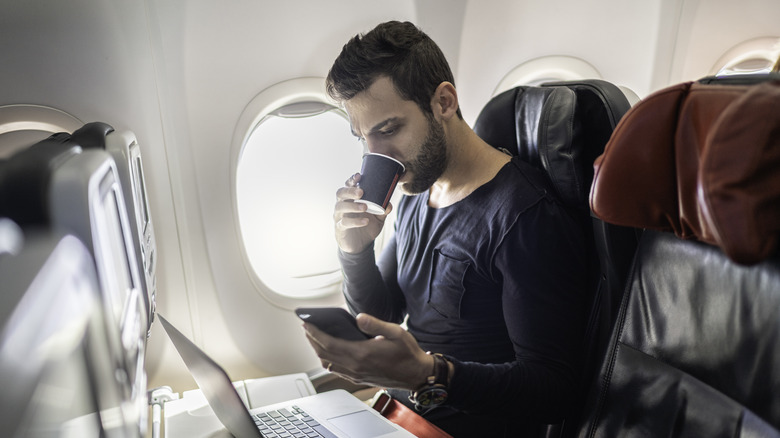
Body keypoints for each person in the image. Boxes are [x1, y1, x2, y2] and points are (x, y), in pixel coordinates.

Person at [303, 20, 590, 436]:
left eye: (388, 130)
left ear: (443, 102)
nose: (378, 156)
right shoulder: (418, 193)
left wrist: (428, 375)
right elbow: (383, 312)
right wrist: (355, 250)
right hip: (399, 418)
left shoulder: (524, 217)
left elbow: (553, 390)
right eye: (363, 137)